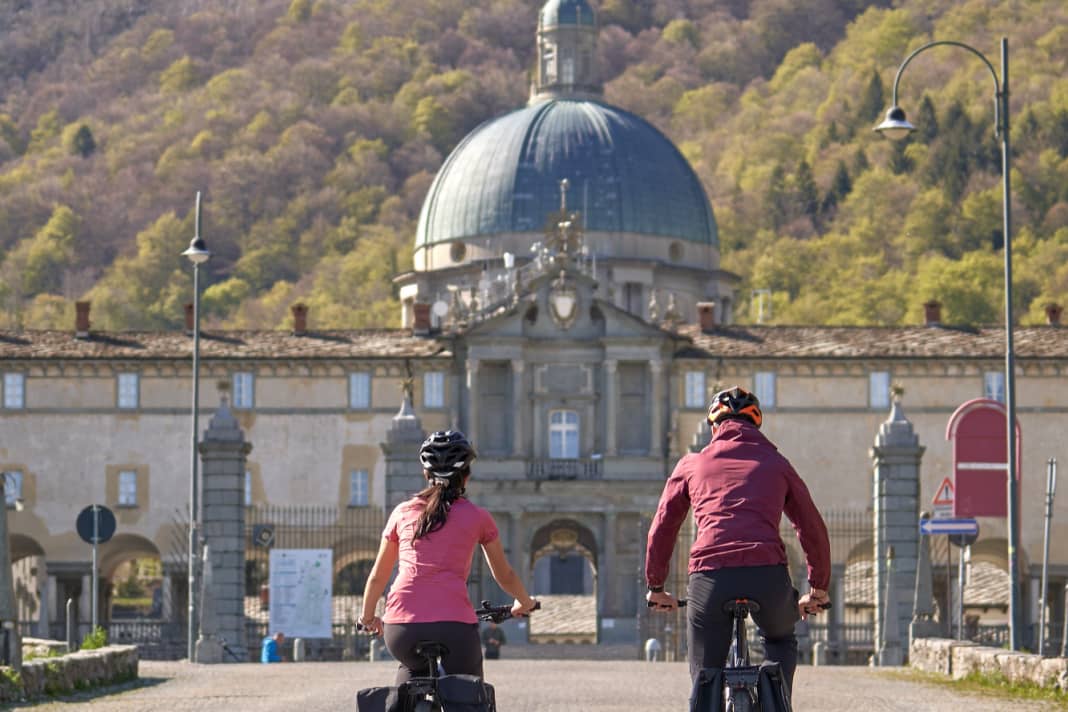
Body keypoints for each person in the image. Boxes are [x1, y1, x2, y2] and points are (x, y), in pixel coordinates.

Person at [645, 386, 831, 696]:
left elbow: (663, 526)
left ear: (714, 427)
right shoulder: (777, 463)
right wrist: (818, 589)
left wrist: (656, 587)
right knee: (780, 639)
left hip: (710, 575)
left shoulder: (691, 464)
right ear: (756, 425)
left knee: (707, 670)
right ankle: (777, 697)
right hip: (767, 574)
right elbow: (811, 526)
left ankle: (706, 694)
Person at [360, 430, 538, 683]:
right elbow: (504, 574)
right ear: (466, 476)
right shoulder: (478, 517)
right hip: (454, 625)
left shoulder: (402, 512)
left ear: (426, 474)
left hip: (401, 628)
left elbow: (378, 576)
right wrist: (524, 601)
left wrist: (368, 618)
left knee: (410, 672)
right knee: (467, 692)